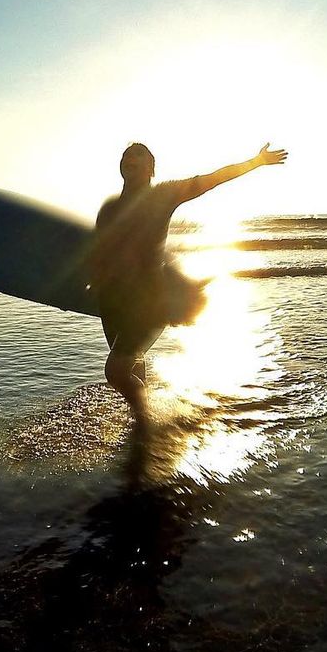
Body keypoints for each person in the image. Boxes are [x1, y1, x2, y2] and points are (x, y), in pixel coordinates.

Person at [91, 141, 288, 441]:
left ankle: (145, 418)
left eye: (137, 155)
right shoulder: (108, 209)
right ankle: (141, 431)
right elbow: (98, 252)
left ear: (151, 169)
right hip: (114, 301)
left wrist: (256, 162)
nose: (129, 158)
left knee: (116, 371)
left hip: (149, 300)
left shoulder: (162, 196)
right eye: (125, 155)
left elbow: (210, 180)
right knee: (132, 360)